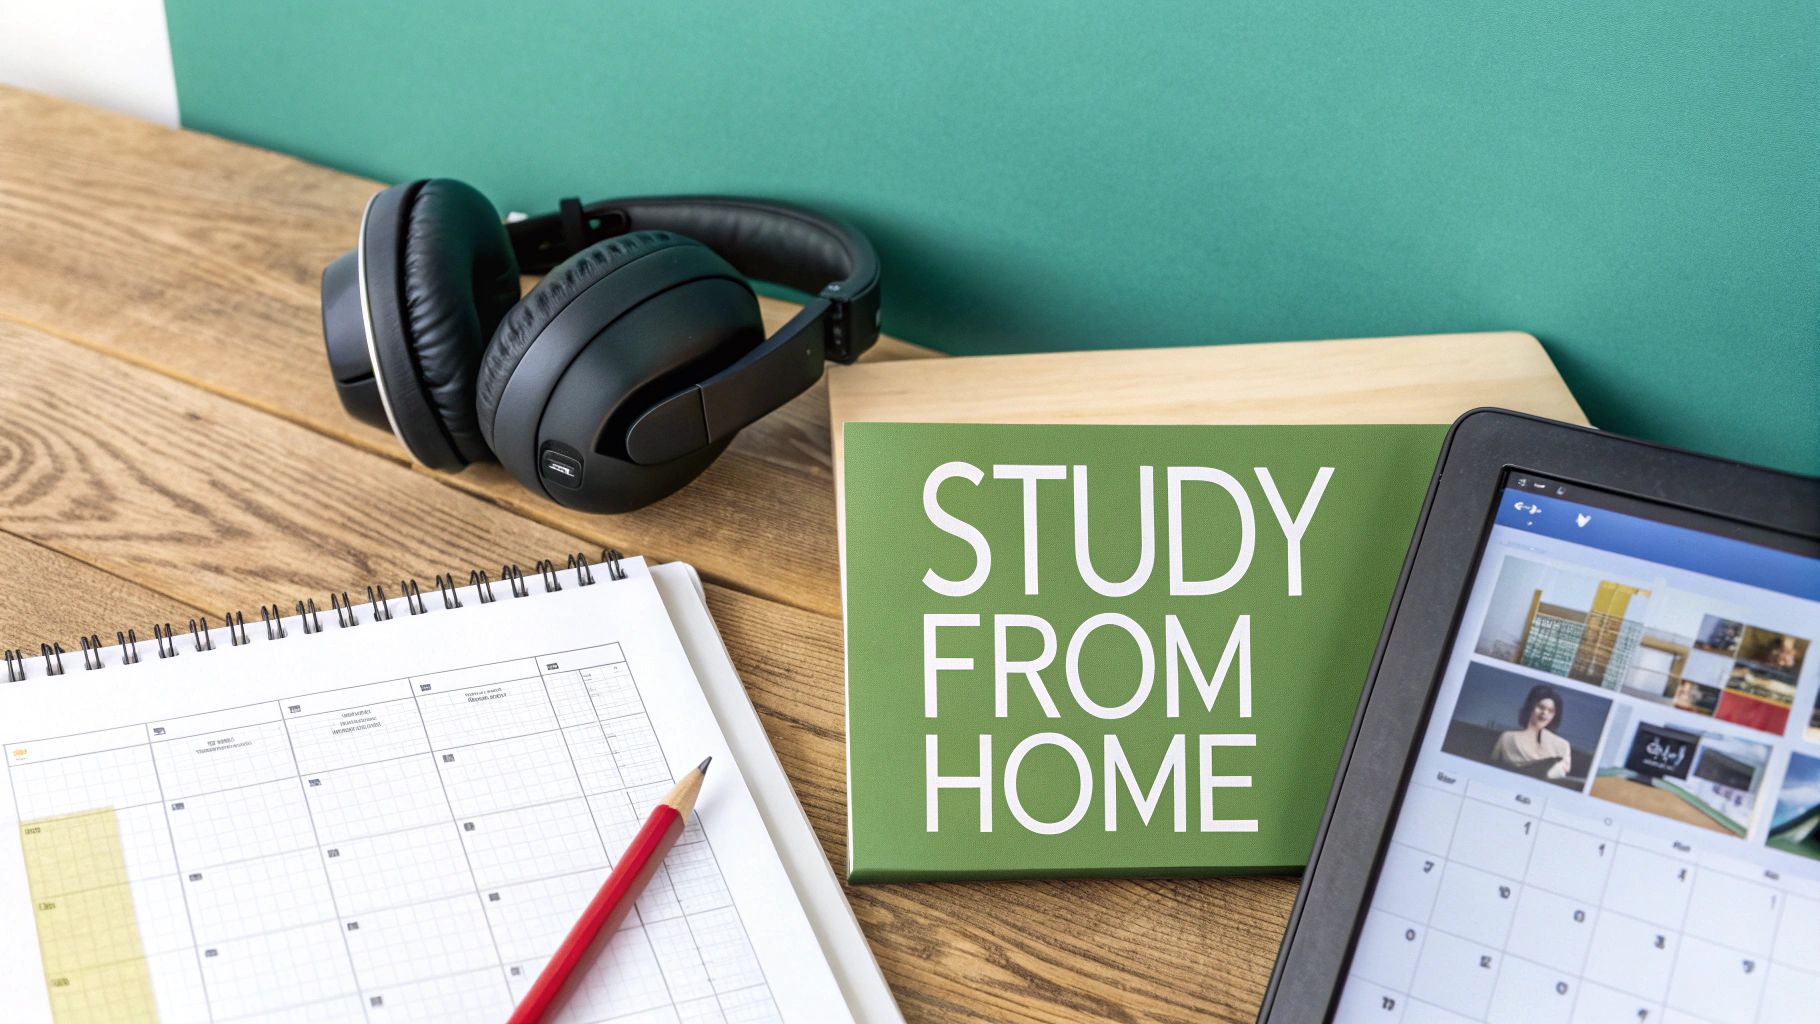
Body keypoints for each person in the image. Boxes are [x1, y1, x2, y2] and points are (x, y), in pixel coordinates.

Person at [1491, 684, 1573, 781]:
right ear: (1531, 707)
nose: (1545, 713)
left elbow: (1563, 776)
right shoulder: (1507, 738)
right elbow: (1492, 767)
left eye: (1550, 711)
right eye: (1541, 707)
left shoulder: (1562, 745)